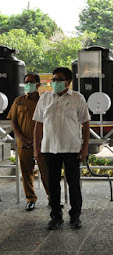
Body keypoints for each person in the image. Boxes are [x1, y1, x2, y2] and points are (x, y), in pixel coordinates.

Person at [33, 67, 90, 230]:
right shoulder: (44, 98)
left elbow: (86, 124)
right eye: (53, 79)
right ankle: (56, 216)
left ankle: (75, 216)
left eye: (59, 79)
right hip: (50, 148)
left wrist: (84, 148)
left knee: (73, 184)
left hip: (71, 148)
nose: (55, 83)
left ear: (68, 82)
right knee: (53, 185)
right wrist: (36, 149)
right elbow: (38, 125)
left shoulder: (77, 98)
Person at [7, 73, 49, 211]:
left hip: (42, 143)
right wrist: (21, 138)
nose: (28, 85)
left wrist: (41, 139)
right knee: (26, 172)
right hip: (23, 142)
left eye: (31, 82)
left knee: (46, 171)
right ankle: (30, 199)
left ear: (38, 84)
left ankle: (52, 198)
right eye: (26, 82)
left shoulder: (44, 101)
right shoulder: (19, 101)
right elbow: (13, 121)